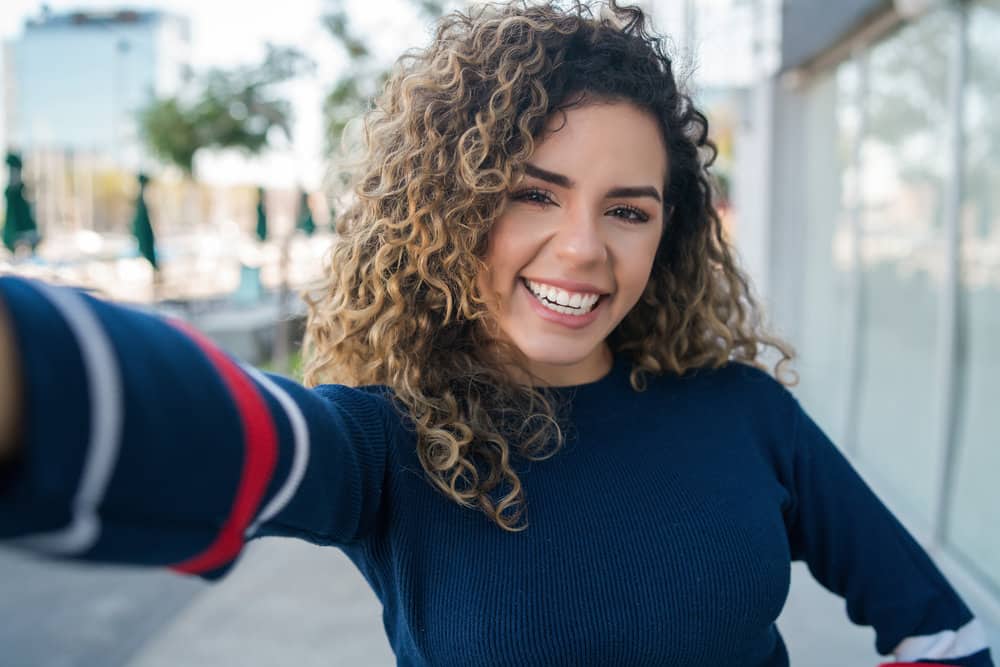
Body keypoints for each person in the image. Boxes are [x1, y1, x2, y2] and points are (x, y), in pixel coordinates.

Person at [0, 1, 994, 665]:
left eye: (629, 209)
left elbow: (942, 627)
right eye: (533, 194)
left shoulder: (743, 412)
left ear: (669, 233)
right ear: (449, 206)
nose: (582, 249)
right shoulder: (389, 443)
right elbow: (209, 432)